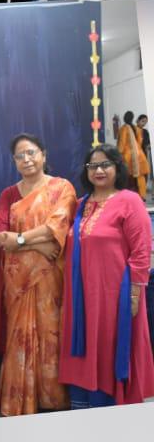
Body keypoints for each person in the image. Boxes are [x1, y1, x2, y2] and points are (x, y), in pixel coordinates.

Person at [59, 144, 154, 407]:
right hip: (81, 294)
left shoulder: (129, 200)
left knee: (109, 344)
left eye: (105, 165)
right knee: (84, 343)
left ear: (117, 168)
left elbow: (142, 250)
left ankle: (111, 407)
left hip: (115, 294)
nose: (98, 170)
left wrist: (134, 294)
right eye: (93, 166)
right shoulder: (80, 204)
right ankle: (84, 405)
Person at [0, 132, 77, 415]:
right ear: (14, 161)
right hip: (18, 278)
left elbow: (58, 227)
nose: (26, 159)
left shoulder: (61, 188)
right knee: (19, 334)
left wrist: (20, 239)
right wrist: (37, 245)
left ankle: (52, 397)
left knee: (51, 332)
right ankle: (21, 398)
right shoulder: (8, 194)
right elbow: (1, 236)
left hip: (51, 275)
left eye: (31, 153)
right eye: (20, 156)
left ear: (43, 155)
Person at [117, 111, 150, 199]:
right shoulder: (137, 129)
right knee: (140, 176)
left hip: (128, 156)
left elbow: (122, 144)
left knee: (129, 178)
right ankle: (142, 196)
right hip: (140, 155)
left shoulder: (124, 129)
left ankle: (130, 197)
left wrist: (118, 154)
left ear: (125, 118)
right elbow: (140, 142)